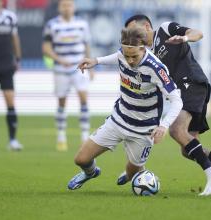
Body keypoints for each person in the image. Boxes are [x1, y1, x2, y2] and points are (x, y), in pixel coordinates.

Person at [123, 14, 211, 196]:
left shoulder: (165, 29)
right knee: (188, 149)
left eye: (134, 30)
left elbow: (197, 33)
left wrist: (185, 38)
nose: (133, 35)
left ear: (146, 26)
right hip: (182, 93)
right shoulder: (146, 55)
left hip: (192, 83)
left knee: (176, 130)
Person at [67, 27, 183, 191]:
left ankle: (133, 174)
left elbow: (177, 100)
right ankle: (91, 173)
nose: (129, 60)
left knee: (130, 173)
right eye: (126, 55)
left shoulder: (156, 68)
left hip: (143, 130)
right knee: (81, 159)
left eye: (134, 56)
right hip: (118, 120)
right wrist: (96, 61)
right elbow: (118, 56)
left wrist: (164, 126)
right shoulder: (124, 54)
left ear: (143, 48)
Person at [42, 0, 94, 151]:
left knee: (84, 100)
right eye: (64, 5)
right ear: (59, 8)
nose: (67, 8)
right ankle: (61, 136)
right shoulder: (52, 25)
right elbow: (46, 48)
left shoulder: (82, 24)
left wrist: (91, 67)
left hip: (80, 68)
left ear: (73, 7)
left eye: (69, 5)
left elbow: (87, 45)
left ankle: (85, 137)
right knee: (61, 102)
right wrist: (59, 59)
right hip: (60, 69)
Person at [0, 0, 22, 150]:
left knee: (10, 102)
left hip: (6, 65)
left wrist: (17, 58)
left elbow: (15, 38)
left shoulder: (10, 17)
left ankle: (12, 140)